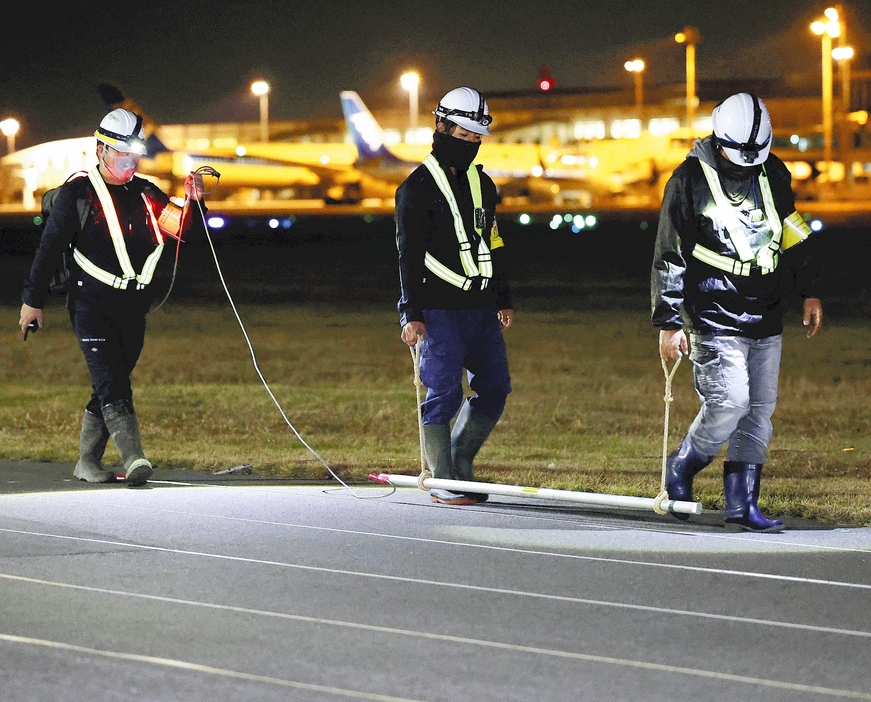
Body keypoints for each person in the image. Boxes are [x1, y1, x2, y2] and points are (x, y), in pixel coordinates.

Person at [651, 92, 823, 533]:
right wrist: (669, 322)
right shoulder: (688, 179)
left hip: (766, 310)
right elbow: (669, 254)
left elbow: (794, 234)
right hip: (711, 311)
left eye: (755, 152)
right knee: (729, 403)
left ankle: (742, 505)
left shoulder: (774, 172)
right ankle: (684, 465)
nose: (747, 161)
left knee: (758, 410)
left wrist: (810, 291)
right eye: (739, 152)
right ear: (719, 137)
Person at [19, 108, 205, 487]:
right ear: (101, 149)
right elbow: (50, 248)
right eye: (122, 153)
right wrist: (31, 300)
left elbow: (179, 231)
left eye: (135, 154)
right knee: (113, 383)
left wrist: (195, 202)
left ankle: (87, 462)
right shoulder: (77, 195)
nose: (130, 162)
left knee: (110, 381)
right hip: (90, 306)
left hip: (133, 308)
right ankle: (135, 458)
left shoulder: (146, 192)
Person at [395, 87, 514, 506]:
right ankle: (442, 475)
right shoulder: (416, 189)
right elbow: (407, 255)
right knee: (443, 391)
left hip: (481, 307)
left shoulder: (483, 185)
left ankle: (461, 463)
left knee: (496, 387)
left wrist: (502, 296)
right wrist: (410, 312)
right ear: (441, 127)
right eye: (463, 136)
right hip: (439, 308)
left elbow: (492, 241)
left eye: (476, 138)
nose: (471, 144)